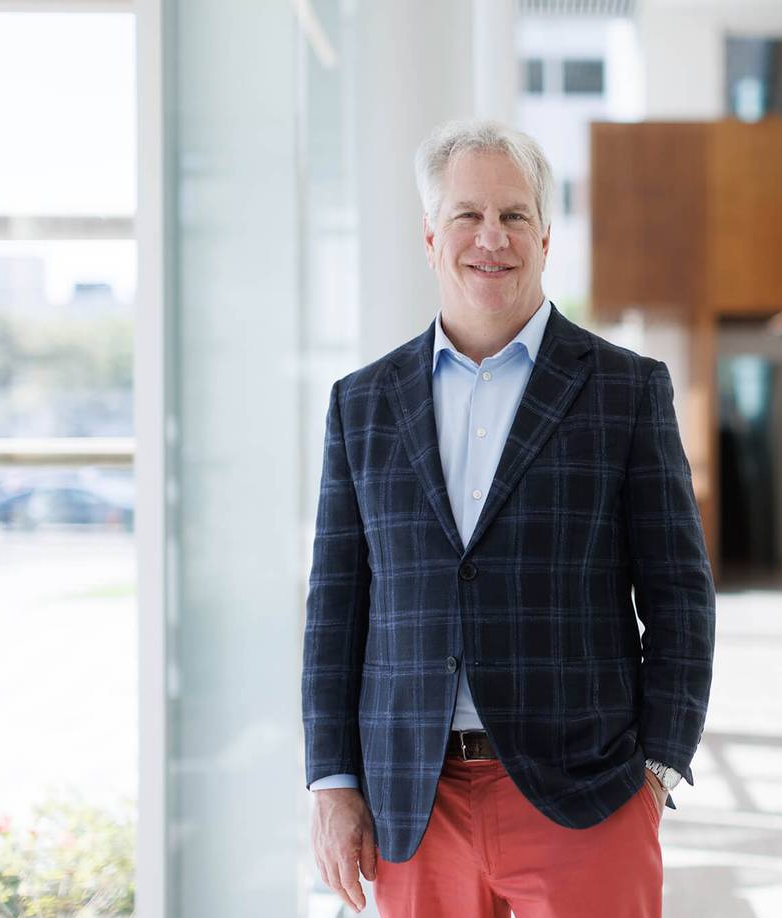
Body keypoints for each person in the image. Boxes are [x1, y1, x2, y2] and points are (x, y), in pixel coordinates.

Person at [301, 120, 716, 918]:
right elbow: (336, 609)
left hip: (585, 792)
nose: (491, 237)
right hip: (412, 802)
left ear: (546, 237)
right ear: (431, 237)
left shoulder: (626, 392)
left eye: (514, 215)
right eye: (467, 215)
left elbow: (679, 597)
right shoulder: (362, 405)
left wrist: (658, 767)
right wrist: (332, 781)